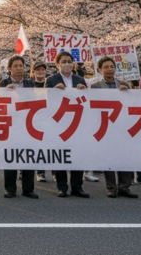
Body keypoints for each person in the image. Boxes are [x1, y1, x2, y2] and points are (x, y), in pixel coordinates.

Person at [90, 56, 137, 199]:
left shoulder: (124, 84)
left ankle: (124, 186)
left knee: (124, 156)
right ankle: (111, 187)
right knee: (108, 156)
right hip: (105, 125)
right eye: (106, 67)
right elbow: (92, 105)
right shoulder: (95, 86)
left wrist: (126, 93)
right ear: (100, 70)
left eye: (111, 66)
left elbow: (131, 104)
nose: (109, 69)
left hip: (122, 125)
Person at [45, 50, 89, 198]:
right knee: (61, 155)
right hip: (59, 123)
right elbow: (45, 101)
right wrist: (53, 91)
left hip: (77, 122)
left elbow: (88, 101)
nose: (67, 64)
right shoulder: (51, 80)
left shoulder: (80, 79)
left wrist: (85, 91)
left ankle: (77, 187)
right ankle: (62, 187)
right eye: (63, 62)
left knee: (78, 155)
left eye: (69, 62)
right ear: (57, 64)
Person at [0, 55, 38, 199]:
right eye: (16, 66)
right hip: (10, 125)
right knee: (10, 157)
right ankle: (10, 189)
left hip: (28, 125)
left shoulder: (30, 84)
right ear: (9, 69)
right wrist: (4, 92)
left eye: (21, 65)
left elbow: (38, 101)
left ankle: (28, 189)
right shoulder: (3, 84)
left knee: (28, 157)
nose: (19, 68)